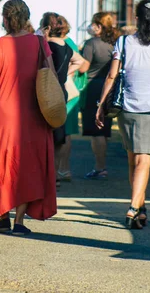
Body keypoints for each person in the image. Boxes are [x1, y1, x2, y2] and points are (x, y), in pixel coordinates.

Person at [0, 0, 57, 235]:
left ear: (4, 18)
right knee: (28, 164)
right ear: (26, 17)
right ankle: (19, 221)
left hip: (4, 111)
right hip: (34, 110)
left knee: (2, 161)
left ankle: (3, 216)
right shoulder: (40, 43)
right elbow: (50, 73)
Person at [96, 0, 150, 229]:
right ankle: (133, 207)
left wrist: (101, 104)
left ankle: (141, 207)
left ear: (138, 19)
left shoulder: (123, 41)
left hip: (126, 107)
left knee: (133, 159)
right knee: (144, 160)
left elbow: (111, 76)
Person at [42, 14, 85, 186]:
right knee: (59, 136)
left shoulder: (47, 45)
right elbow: (79, 61)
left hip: (47, 93)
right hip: (61, 92)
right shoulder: (66, 46)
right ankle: (55, 175)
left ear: (47, 28)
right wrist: (65, 74)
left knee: (46, 136)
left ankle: (48, 177)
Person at [80, 12, 119, 179]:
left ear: (99, 26)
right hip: (110, 88)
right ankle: (101, 165)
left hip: (93, 88)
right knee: (105, 129)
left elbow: (83, 68)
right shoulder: (115, 43)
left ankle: (100, 167)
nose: (90, 26)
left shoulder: (91, 44)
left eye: (93, 23)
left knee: (96, 132)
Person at [57, 15, 87, 181]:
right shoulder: (70, 42)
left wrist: (64, 74)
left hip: (66, 91)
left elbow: (80, 63)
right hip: (70, 91)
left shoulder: (64, 43)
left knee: (63, 132)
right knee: (65, 132)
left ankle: (63, 168)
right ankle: (63, 169)